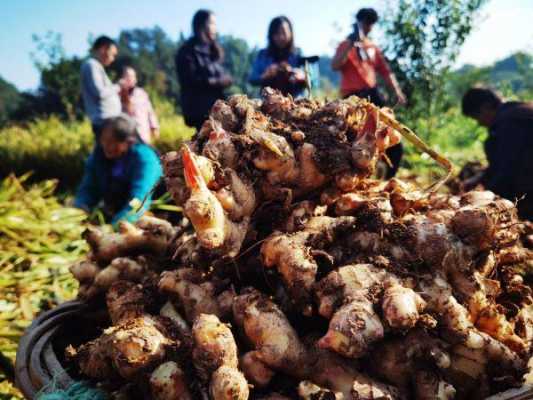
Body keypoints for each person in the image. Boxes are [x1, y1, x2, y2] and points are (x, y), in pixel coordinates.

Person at [331, 8, 406, 178]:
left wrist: (397, 91)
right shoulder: (345, 45)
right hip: (352, 100)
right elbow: (335, 65)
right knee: (351, 140)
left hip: (373, 97)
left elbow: (386, 71)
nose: (367, 27)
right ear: (358, 22)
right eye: (365, 22)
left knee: (389, 135)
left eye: (370, 24)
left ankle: (388, 179)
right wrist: (351, 43)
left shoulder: (372, 47)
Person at [74, 114, 163, 225]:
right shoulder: (99, 155)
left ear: (129, 141)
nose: (107, 146)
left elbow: (139, 200)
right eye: (103, 140)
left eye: (112, 141)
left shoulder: (145, 158)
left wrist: (116, 226)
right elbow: (88, 188)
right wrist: (78, 212)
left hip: (148, 214)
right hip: (117, 212)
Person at [461, 87, 533, 220]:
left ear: (486, 107)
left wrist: (484, 199)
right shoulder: (517, 111)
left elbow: (508, 169)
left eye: (477, 117)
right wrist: (481, 177)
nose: (480, 123)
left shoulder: (511, 121)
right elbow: (505, 159)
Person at [175, 9, 233, 131]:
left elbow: (224, 75)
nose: (215, 28)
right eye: (212, 23)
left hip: (217, 108)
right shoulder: (187, 52)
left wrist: (225, 80)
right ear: (201, 25)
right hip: (199, 111)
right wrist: (217, 81)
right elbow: (190, 81)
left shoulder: (213, 51)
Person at [249, 16, 308, 98]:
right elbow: (252, 78)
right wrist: (264, 75)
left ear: (290, 33)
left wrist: (303, 76)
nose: (281, 37)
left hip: (296, 103)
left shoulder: (299, 53)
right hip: (268, 103)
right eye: (276, 33)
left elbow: (314, 80)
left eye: (284, 32)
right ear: (271, 35)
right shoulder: (262, 55)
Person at [80, 36, 122, 137]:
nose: (113, 59)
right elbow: (100, 92)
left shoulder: (96, 66)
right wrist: (118, 86)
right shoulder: (91, 65)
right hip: (104, 122)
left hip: (107, 121)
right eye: (112, 55)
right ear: (103, 49)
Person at [120, 66, 160, 144]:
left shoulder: (142, 93)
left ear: (135, 79)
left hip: (143, 134)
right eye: (127, 76)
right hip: (126, 136)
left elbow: (150, 112)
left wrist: (154, 127)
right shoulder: (118, 94)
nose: (129, 79)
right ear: (123, 78)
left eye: (132, 76)